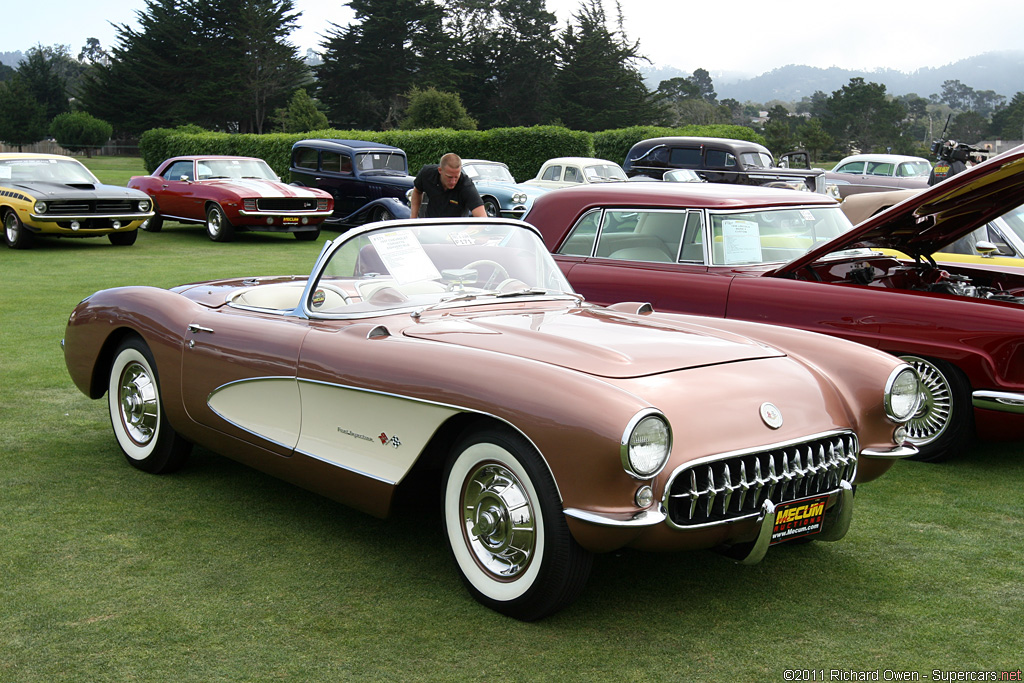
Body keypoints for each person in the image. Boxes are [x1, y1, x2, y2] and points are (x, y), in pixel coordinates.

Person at [410, 153, 487, 218]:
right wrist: (413, 219)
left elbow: (482, 218)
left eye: (456, 177)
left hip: (456, 230)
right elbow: (417, 191)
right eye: (449, 177)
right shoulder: (427, 174)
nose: (453, 181)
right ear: (440, 170)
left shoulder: (466, 186)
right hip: (430, 226)